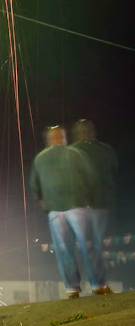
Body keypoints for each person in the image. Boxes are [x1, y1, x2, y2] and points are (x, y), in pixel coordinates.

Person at [30, 125, 111, 298]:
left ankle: (72, 288)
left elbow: (34, 187)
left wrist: (46, 204)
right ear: (63, 138)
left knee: (63, 250)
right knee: (88, 246)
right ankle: (98, 284)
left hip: (55, 212)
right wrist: (92, 202)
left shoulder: (39, 159)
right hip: (78, 207)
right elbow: (91, 178)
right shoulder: (75, 154)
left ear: (49, 140)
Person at [71, 119, 118, 247]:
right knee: (97, 240)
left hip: (84, 203)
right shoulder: (107, 150)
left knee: (84, 241)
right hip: (99, 202)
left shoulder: (70, 152)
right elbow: (115, 172)